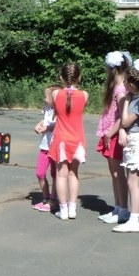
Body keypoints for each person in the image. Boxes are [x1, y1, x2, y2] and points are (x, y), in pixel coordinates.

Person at [112, 61, 139, 233]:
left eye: (126, 82)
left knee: (133, 182)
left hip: (137, 140)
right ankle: (132, 217)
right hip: (132, 138)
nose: (124, 84)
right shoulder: (136, 97)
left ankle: (134, 220)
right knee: (131, 181)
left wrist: (126, 101)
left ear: (133, 84)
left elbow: (126, 120)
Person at [47, 63, 89, 220]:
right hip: (77, 139)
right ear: (80, 77)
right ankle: (72, 209)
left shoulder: (56, 94)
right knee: (73, 173)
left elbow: (56, 109)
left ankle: (63, 209)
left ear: (61, 78)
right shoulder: (85, 95)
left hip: (61, 139)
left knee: (61, 174)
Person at [96, 51, 132, 224]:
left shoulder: (120, 90)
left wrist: (110, 133)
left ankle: (123, 209)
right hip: (110, 133)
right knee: (114, 173)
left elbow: (122, 116)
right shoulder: (116, 88)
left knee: (118, 173)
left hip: (115, 135)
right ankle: (117, 207)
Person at [32, 84, 59, 211]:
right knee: (40, 173)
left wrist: (47, 128)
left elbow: (58, 124)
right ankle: (46, 197)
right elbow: (45, 120)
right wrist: (39, 124)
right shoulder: (47, 109)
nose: (44, 99)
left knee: (55, 174)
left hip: (55, 146)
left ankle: (53, 200)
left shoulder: (60, 111)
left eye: (46, 96)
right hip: (45, 146)